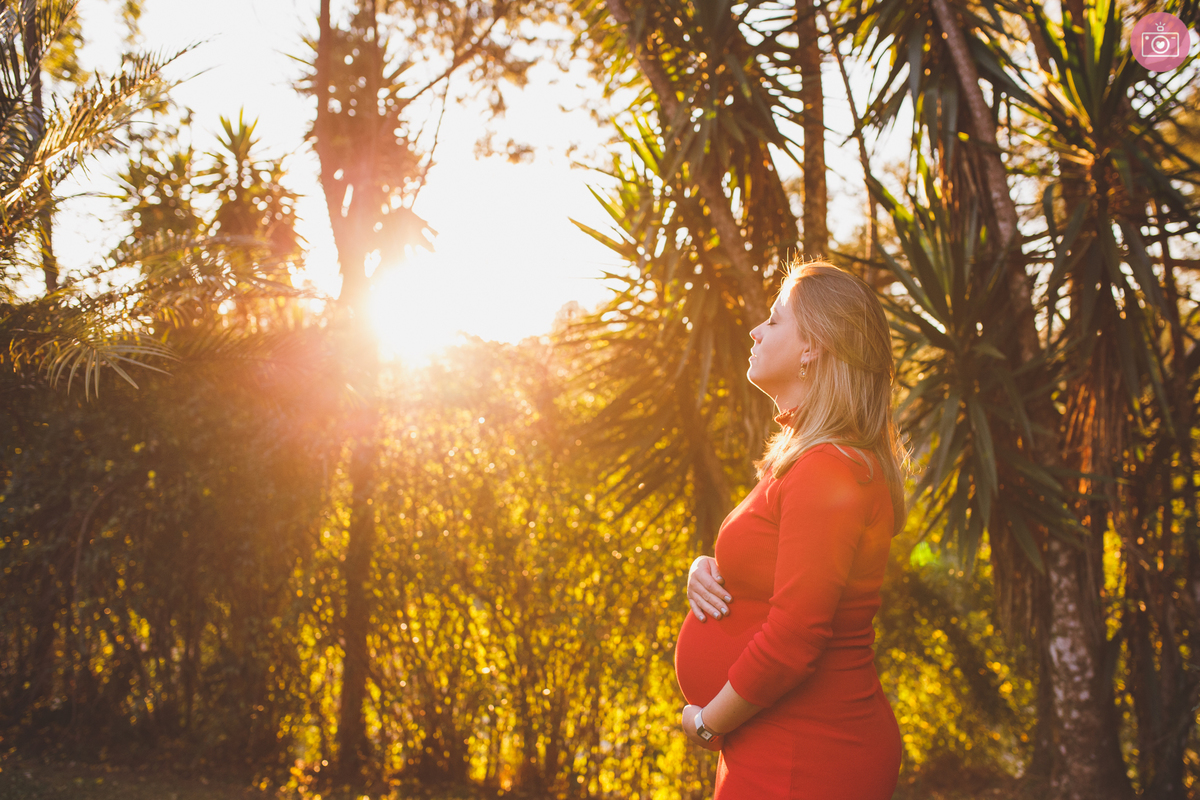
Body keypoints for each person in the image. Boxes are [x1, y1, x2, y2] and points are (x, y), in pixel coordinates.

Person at [673, 261, 906, 799]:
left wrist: (707, 722)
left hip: (808, 755)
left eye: (774, 320)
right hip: (778, 743)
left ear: (813, 347)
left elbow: (796, 637)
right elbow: (777, 571)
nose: (756, 331)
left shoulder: (829, 467)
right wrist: (707, 571)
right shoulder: (809, 460)